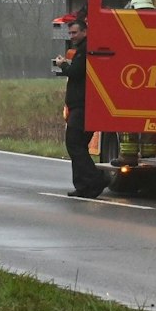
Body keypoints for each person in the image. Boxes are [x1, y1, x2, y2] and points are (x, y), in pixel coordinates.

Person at [56, 14, 106, 199]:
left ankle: (95, 179)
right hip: (81, 105)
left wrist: (63, 65)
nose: (72, 36)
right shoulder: (83, 49)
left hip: (82, 106)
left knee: (74, 144)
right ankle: (84, 187)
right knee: (79, 147)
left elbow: (76, 72)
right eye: (70, 33)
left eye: (75, 32)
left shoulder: (85, 50)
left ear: (85, 32)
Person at [116, 0, 156, 166]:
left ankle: (128, 156)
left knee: (129, 119)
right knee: (150, 120)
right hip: (152, 83)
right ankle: (148, 156)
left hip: (133, 84)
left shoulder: (127, 28)